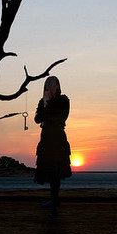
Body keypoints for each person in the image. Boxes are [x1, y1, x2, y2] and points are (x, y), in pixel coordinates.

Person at [34, 76, 72, 218]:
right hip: (46, 140)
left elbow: (61, 118)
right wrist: (45, 106)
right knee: (49, 172)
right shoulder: (43, 102)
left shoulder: (63, 100)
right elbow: (37, 119)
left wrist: (47, 110)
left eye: (56, 84)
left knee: (56, 172)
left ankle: (54, 204)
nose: (53, 87)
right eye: (50, 85)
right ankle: (54, 200)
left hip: (58, 139)